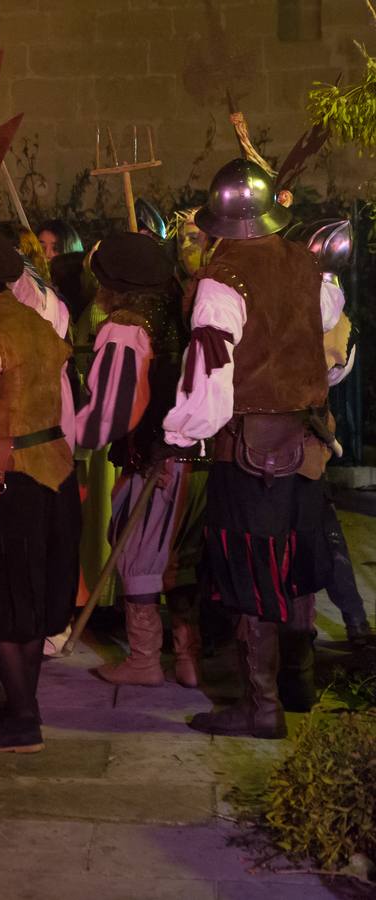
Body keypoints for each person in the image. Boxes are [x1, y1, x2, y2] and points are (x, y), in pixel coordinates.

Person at [165, 159, 343, 738]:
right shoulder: (309, 265)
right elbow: (324, 340)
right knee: (294, 571)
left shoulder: (222, 278)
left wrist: (181, 431)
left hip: (249, 452)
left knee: (255, 577)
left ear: (218, 220)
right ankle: (298, 687)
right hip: (308, 448)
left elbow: (210, 375)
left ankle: (262, 708)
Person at [0, 230, 80, 754]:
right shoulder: (39, 325)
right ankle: (26, 704)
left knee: (1, 597)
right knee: (34, 594)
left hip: (3, 476)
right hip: (55, 471)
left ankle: (24, 718)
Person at [76, 232, 205, 689]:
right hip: (193, 455)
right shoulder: (180, 313)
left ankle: (146, 661)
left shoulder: (125, 327)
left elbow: (112, 408)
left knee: (139, 556)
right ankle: (188, 660)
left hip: (153, 459)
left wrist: (73, 433)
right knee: (179, 559)